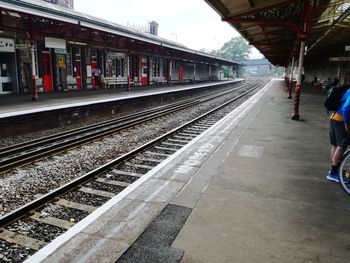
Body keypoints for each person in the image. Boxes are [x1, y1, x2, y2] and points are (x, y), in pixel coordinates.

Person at [328, 84, 350, 182]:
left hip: (334, 116)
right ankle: (333, 173)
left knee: (335, 145)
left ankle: (334, 170)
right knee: (342, 145)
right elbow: (346, 108)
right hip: (340, 119)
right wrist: (346, 124)